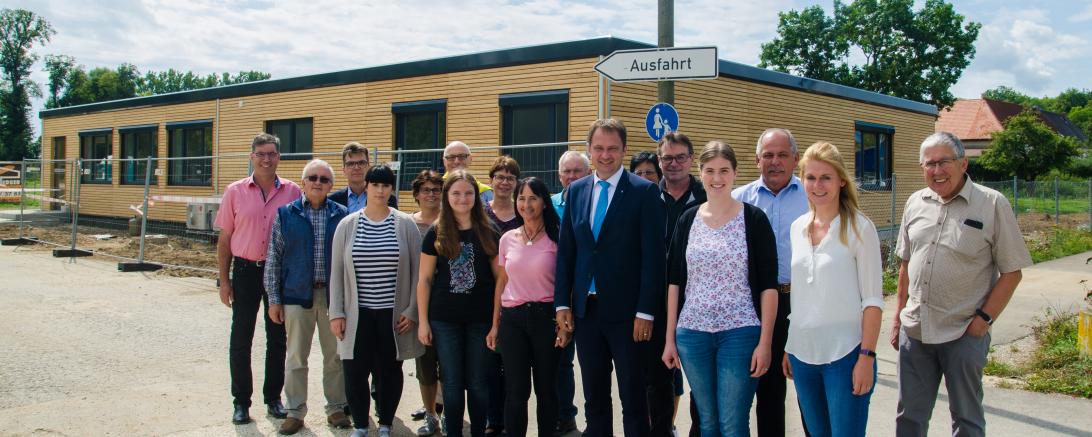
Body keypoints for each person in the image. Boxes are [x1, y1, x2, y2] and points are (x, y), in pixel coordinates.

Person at [892, 132, 1032, 437]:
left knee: (967, 419)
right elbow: (906, 263)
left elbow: (1012, 271)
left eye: (945, 162)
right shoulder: (915, 202)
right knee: (909, 419)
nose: (937, 170)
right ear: (922, 168)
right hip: (915, 333)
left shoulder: (992, 203)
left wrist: (982, 322)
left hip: (963, 333)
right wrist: (897, 319)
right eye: (930, 164)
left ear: (963, 163)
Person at [555, 118, 666, 437]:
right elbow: (567, 253)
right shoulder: (576, 191)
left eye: (613, 149)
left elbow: (653, 259)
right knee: (594, 398)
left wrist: (645, 311)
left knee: (633, 398)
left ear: (623, 150)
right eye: (599, 148)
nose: (605, 155)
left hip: (629, 315)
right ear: (589, 150)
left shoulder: (643, 192)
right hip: (586, 313)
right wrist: (562, 303)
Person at [662, 140, 778, 437]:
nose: (717, 178)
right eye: (710, 171)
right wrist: (670, 339)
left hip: (740, 332)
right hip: (693, 334)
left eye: (724, 170)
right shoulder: (688, 219)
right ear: (700, 172)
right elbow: (674, 281)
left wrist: (765, 343)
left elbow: (768, 287)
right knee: (708, 421)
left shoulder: (753, 219)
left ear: (735, 173)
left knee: (732, 423)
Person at [782, 142, 883, 437]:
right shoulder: (797, 228)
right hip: (803, 355)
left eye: (825, 177)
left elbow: (873, 301)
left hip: (846, 355)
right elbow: (800, 296)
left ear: (841, 180)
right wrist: (790, 346)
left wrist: (867, 357)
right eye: (810, 177)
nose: (817, 185)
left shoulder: (859, 228)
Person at [329, 165, 425, 437]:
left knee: (389, 371)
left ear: (391, 189)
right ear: (367, 187)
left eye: (386, 185)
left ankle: (385, 423)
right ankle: (360, 424)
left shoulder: (404, 224)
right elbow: (336, 271)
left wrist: (412, 310)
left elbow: (418, 272)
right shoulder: (348, 225)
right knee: (355, 371)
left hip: (392, 315)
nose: (380, 190)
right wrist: (336, 313)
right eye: (375, 184)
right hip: (357, 314)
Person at [215, 133, 302, 425]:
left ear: (279, 157)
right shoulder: (235, 191)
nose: (267, 159)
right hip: (245, 271)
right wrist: (224, 280)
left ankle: (273, 398)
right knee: (241, 338)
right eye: (261, 154)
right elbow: (225, 239)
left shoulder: (292, 192)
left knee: (278, 338)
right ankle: (241, 402)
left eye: (272, 154)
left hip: (278, 274)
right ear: (252, 156)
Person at [264, 159, 352, 434]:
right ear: (303, 182)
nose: (318, 183)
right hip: (295, 296)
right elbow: (274, 260)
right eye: (312, 178)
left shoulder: (342, 215)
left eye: (324, 179)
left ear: (331, 185)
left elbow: (350, 261)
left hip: (332, 297)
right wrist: (274, 299)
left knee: (334, 356)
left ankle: (336, 408)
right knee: (295, 357)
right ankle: (294, 410)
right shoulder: (285, 215)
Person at [731, 128, 809, 437]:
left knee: (808, 388)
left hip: (802, 302)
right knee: (768, 388)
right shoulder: (738, 200)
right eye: (768, 155)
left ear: (796, 159)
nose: (774, 162)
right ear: (757, 160)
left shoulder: (813, 195)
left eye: (782, 155)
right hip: (755, 305)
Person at [417, 170, 502, 437]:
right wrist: (423, 322)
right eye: (456, 193)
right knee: (451, 383)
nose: (462, 198)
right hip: (444, 319)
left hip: (481, 319)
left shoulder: (489, 231)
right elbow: (425, 280)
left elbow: (501, 279)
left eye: (468, 193)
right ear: (447, 196)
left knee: (478, 383)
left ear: (476, 197)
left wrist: (496, 322)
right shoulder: (436, 232)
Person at [485, 176, 564, 437]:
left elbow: (567, 283)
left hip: (546, 319)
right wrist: (495, 325)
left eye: (533, 198)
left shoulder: (558, 236)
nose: (526, 204)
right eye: (521, 198)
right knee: (516, 390)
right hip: (512, 321)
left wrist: (565, 324)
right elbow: (501, 282)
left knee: (546, 389)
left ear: (544, 202)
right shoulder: (507, 238)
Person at [654, 132, 706, 437]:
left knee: (701, 387)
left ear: (691, 159)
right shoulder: (646, 198)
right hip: (656, 305)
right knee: (657, 383)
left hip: (698, 305)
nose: (674, 164)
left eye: (680, 157)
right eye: (667, 158)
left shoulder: (707, 198)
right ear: (659, 161)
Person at [549, 149, 590, 435]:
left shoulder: (593, 202)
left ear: (587, 174)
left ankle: (573, 416)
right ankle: (561, 414)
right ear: (559, 175)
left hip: (587, 294)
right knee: (558, 360)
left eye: (578, 171)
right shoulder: (547, 205)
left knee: (587, 362)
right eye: (567, 171)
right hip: (552, 292)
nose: (572, 176)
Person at [482, 155, 523, 436]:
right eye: (500, 176)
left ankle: (511, 419)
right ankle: (492, 419)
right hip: (486, 295)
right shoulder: (481, 213)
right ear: (491, 180)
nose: (505, 182)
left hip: (518, 297)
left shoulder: (524, 211)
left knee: (513, 365)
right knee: (488, 363)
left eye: (510, 177)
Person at [409, 169, 446, 436]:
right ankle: (430, 414)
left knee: (449, 365)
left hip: (446, 305)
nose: (431, 194)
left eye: (436, 189)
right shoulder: (407, 224)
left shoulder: (451, 223)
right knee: (424, 366)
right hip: (418, 304)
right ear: (416, 195)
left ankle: (445, 413)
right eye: (426, 190)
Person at [329, 141, 398, 211]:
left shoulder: (387, 198)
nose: (356, 167)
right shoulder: (332, 201)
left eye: (361, 163)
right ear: (344, 170)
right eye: (350, 164)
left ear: (369, 167)